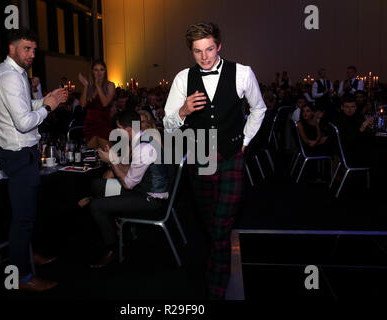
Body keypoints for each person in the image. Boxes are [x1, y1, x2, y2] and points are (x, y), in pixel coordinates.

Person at [163, 22, 266, 299]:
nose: (205, 57)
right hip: (200, 157)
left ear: (219, 46)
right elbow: (168, 125)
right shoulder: (183, 79)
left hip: (232, 156)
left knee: (222, 226)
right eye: (198, 51)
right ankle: (217, 258)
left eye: (209, 49)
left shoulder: (242, 73)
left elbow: (259, 109)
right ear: (191, 52)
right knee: (210, 222)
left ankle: (216, 286)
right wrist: (183, 111)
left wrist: (244, 141)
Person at [0, 28, 67, 291]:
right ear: (12, 49)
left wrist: (43, 101)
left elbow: (22, 109)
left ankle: (27, 255)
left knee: (26, 215)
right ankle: (20, 277)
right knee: (22, 219)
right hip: (18, 155)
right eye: (26, 49)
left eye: (34, 49)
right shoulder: (9, 77)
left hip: (21, 154)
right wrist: (48, 108)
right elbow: (23, 123)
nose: (32, 54)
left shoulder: (15, 73)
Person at [85, 110, 168, 268]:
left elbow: (128, 184)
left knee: (96, 206)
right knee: (97, 185)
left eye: (119, 128)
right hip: (142, 189)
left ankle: (112, 249)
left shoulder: (144, 146)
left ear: (128, 129)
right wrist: (115, 160)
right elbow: (130, 172)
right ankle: (116, 225)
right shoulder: (142, 140)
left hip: (151, 200)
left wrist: (111, 162)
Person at [79, 60, 116, 149]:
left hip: (103, 124)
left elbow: (105, 103)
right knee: (91, 156)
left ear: (105, 71)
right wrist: (86, 86)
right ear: (92, 72)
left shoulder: (110, 85)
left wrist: (98, 85)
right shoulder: (90, 87)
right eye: (96, 70)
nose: (99, 73)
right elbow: (83, 104)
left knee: (107, 155)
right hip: (90, 124)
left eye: (101, 70)